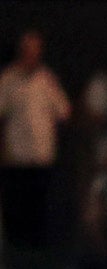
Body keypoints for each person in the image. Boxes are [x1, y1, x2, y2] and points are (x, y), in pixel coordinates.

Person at [0, 33, 72, 250]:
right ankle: (17, 245)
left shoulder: (47, 79)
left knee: (39, 202)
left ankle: (37, 245)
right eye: (28, 49)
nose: (32, 54)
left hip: (42, 153)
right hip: (17, 154)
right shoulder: (7, 79)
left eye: (36, 49)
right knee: (16, 201)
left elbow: (64, 111)